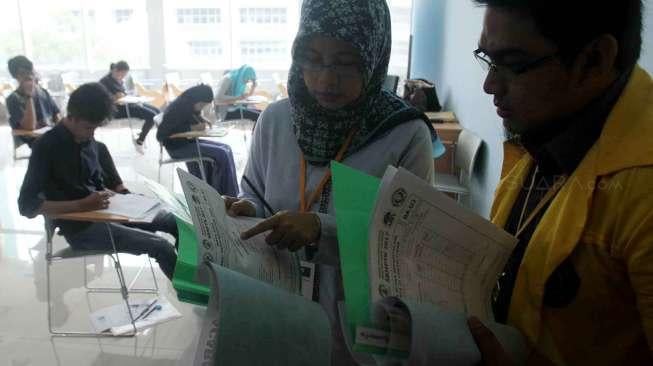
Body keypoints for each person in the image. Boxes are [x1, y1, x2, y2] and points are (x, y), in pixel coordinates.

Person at [223, 0, 440, 364]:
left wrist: (320, 230)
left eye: (345, 63)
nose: (325, 79)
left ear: (373, 56)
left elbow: (409, 246)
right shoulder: (276, 120)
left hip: (359, 330)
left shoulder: (404, 134)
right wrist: (248, 209)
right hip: (278, 309)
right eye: (312, 57)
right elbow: (256, 195)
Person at [466, 0, 653, 365]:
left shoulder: (643, 189)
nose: (489, 85)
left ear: (595, 59)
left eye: (514, 64)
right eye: (486, 57)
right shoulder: (551, 129)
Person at [18, 82, 179, 281]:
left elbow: (101, 182)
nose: (91, 133)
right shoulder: (46, 146)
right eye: (88, 127)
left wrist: (118, 195)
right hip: (81, 229)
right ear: (72, 117)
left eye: (95, 128)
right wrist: (81, 204)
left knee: (175, 221)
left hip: (109, 211)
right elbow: (26, 206)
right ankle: (193, 297)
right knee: (161, 246)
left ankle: (193, 279)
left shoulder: (89, 140)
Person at [156, 84, 239, 196]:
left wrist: (203, 119)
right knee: (222, 153)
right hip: (177, 148)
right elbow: (160, 134)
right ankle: (226, 195)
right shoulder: (178, 108)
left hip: (187, 142)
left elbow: (194, 113)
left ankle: (227, 192)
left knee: (226, 148)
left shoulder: (188, 103)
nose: (202, 107)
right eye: (202, 104)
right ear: (197, 99)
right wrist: (192, 128)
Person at [99, 61, 159, 153]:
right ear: (115, 70)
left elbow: (122, 94)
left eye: (124, 75)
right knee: (152, 116)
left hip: (126, 105)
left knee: (157, 111)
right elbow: (103, 99)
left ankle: (142, 133)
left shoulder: (117, 79)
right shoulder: (104, 82)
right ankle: (140, 141)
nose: (123, 77)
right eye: (122, 74)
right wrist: (115, 97)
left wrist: (130, 96)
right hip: (116, 110)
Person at [6, 55, 61, 148]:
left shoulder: (42, 92)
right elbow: (29, 127)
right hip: (35, 139)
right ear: (16, 77)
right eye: (23, 73)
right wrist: (29, 96)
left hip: (51, 134)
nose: (29, 76)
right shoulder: (13, 99)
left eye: (30, 72)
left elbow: (57, 115)